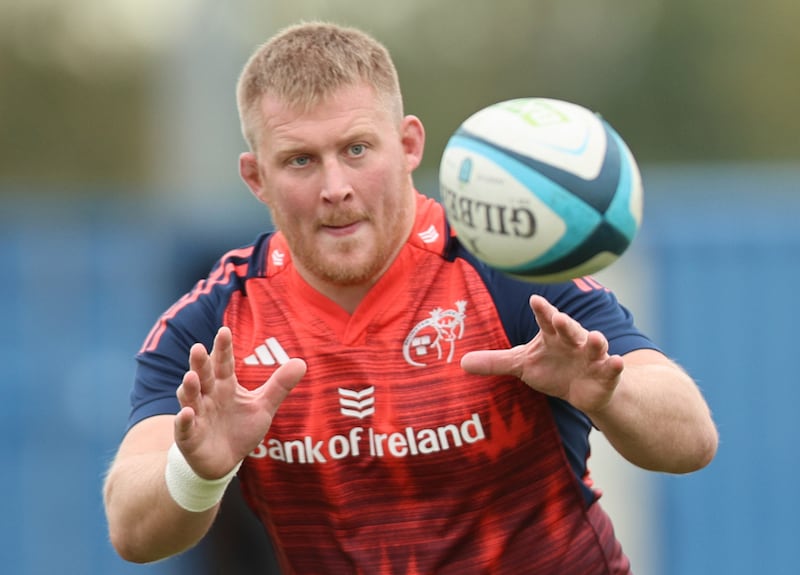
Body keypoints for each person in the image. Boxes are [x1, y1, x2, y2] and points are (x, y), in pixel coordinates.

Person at [103, 21, 718, 575]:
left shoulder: (507, 273)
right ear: (256, 177)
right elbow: (131, 528)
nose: (335, 188)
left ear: (409, 146)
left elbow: (691, 438)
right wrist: (198, 472)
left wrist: (608, 393)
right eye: (300, 161)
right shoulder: (214, 326)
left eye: (356, 149)